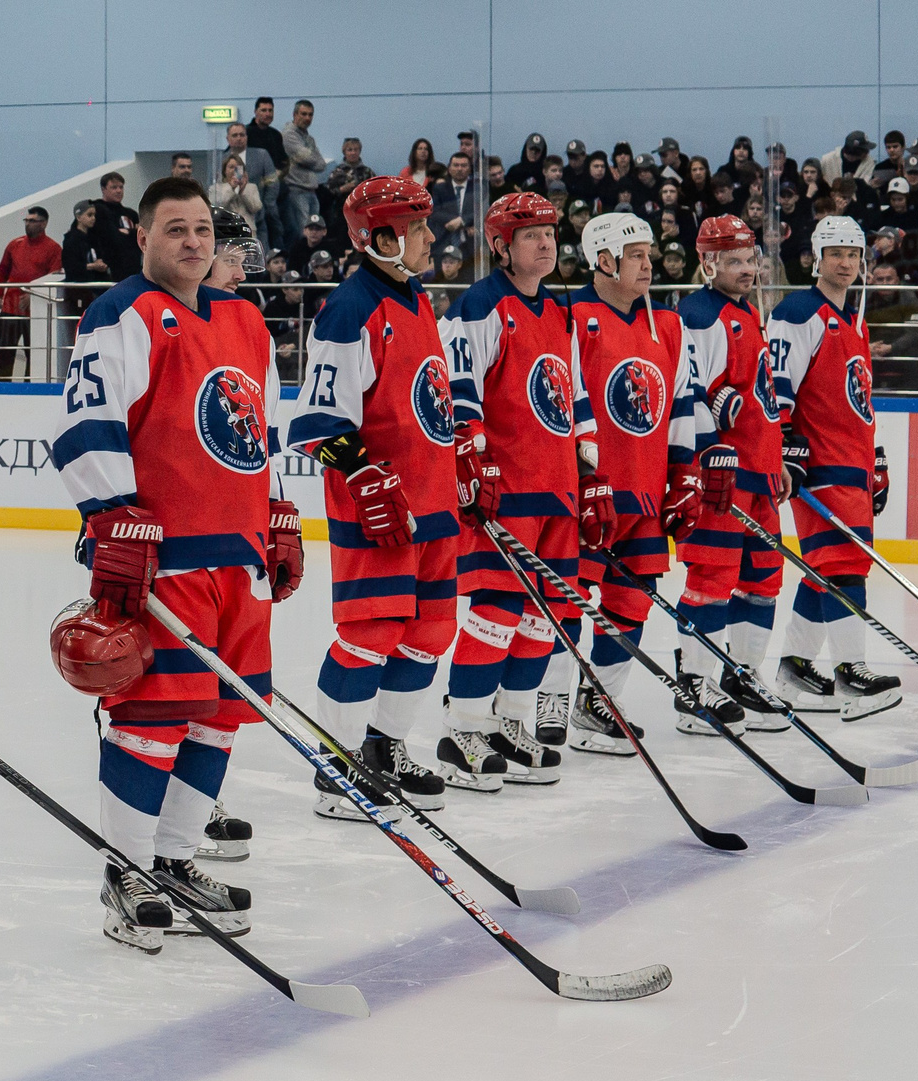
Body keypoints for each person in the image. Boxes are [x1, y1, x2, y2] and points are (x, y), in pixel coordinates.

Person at [53, 177, 288, 947]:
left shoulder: (245, 319)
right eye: (175, 229)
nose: (192, 242)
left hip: (239, 555)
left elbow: (260, 430)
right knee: (152, 714)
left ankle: (178, 863)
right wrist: (114, 516)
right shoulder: (121, 314)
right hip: (167, 559)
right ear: (145, 237)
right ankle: (128, 871)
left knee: (220, 717)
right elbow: (86, 427)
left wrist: (279, 515)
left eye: (202, 230)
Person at [284, 174, 461, 815]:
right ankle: (337, 763)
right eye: (416, 227)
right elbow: (313, 425)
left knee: (433, 630)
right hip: (380, 512)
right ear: (379, 238)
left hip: (433, 505)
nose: (429, 235)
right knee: (371, 634)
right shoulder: (351, 308)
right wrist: (361, 471)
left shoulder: (417, 300)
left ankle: (383, 748)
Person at [559, 213, 725, 751]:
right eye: (636, 255)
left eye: (649, 254)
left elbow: (682, 405)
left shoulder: (668, 324)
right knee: (569, 597)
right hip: (591, 490)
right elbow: (560, 409)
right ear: (603, 260)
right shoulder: (571, 316)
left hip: (648, 492)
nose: (649, 264)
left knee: (633, 600)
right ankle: (544, 699)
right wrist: (583, 477)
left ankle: (598, 699)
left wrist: (686, 473)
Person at [437, 192, 578, 784]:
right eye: (530, 235)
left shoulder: (557, 307)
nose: (545, 243)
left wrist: (589, 468)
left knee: (543, 614)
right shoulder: (481, 303)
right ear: (501, 246)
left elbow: (573, 392)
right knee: (495, 607)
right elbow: (458, 388)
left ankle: (510, 720)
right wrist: (473, 457)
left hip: (557, 484)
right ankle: (463, 730)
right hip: (506, 485)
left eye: (549, 233)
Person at [666, 214, 795, 733]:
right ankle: (695, 686)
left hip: (758, 472)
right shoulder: (698, 314)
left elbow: (757, 396)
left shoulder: (747, 310)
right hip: (721, 475)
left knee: (762, 581)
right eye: (735, 261)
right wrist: (710, 432)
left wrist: (776, 456)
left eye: (751, 260)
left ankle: (741, 675)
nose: (747, 270)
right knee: (712, 580)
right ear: (707, 262)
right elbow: (686, 392)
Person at [766, 214, 900, 714]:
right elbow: (776, 385)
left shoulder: (855, 318)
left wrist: (877, 458)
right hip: (817, 464)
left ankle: (795, 670)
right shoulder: (799, 311)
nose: (845, 263)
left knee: (827, 567)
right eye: (836, 253)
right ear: (817, 258)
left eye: (853, 254)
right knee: (844, 564)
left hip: (852, 464)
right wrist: (782, 445)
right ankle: (850, 674)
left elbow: (859, 398)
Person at [0, 204, 61, 380]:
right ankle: (1, 387)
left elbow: (53, 279)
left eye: (32, 221)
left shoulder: (53, 249)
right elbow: (2, 272)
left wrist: (33, 296)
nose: (28, 224)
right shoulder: (14, 245)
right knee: (5, 352)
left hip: (36, 312)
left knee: (35, 354)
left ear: (44, 223)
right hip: (10, 309)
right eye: (27, 220)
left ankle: (30, 386)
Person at [280, 100, 328, 240]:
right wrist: (311, 159)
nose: (307, 118)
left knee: (316, 233)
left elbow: (321, 164)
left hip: (312, 191)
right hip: (297, 190)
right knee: (304, 234)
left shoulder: (309, 138)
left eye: (310, 115)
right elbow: (308, 159)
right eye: (303, 114)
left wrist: (311, 159)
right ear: (295, 114)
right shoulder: (289, 135)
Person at [60, 199, 111, 317]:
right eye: (89, 215)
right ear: (78, 217)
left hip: (94, 287)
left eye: (94, 215)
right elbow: (70, 266)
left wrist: (100, 263)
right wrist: (93, 266)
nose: (93, 218)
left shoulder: (92, 237)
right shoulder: (71, 240)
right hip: (81, 289)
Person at [95, 172, 143, 284]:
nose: (118, 191)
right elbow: (112, 238)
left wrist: (128, 233)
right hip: (109, 271)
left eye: (121, 187)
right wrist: (132, 233)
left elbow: (141, 238)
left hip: (133, 270)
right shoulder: (97, 211)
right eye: (114, 187)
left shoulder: (131, 214)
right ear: (103, 189)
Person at [211, 153, 265, 236]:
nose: (234, 170)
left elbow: (256, 207)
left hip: (248, 230)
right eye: (231, 167)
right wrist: (231, 188)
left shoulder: (251, 187)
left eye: (237, 168)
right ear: (224, 170)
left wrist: (243, 191)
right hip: (225, 230)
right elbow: (216, 206)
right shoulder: (216, 188)